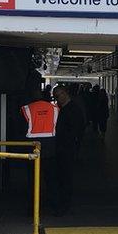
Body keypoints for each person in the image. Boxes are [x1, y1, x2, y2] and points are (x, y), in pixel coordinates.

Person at [20, 86, 60, 214]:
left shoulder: (26, 109)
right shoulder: (55, 109)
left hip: (33, 147)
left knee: (33, 179)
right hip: (50, 147)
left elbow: (21, 128)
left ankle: (33, 209)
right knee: (51, 178)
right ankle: (54, 207)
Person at [51, 84, 83, 214]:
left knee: (65, 176)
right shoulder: (61, 109)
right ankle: (61, 203)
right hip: (60, 148)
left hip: (67, 148)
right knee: (61, 176)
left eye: (59, 96)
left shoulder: (73, 110)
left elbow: (77, 130)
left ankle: (64, 205)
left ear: (65, 93)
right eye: (55, 97)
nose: (57, 99)